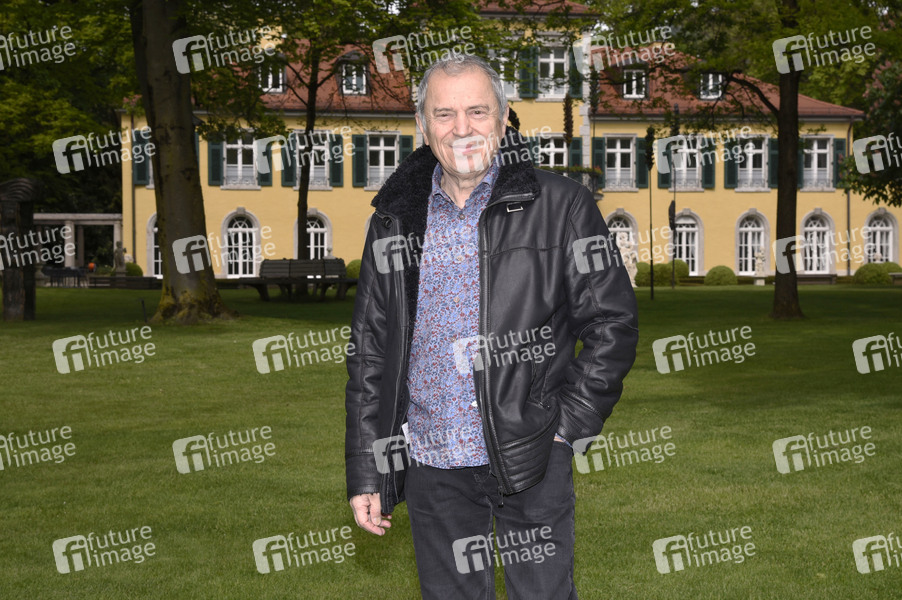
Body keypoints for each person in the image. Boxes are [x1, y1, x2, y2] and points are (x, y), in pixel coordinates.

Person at [345, 55, 638, 599]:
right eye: (445, 113)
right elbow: (369, 350)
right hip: (431, 461)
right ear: (423, 125)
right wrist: (368, 469)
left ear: (503, 120)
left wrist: (567, 426)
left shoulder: (563, 205)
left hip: (531, 453)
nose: (462, 128)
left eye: (477, 112)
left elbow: (612, 322)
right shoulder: (393, 218)